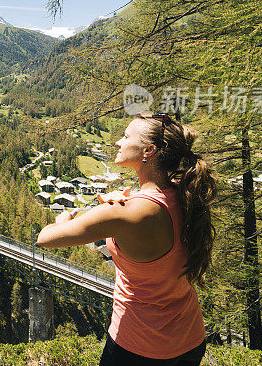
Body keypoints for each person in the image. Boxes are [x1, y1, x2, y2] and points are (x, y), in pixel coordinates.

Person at [36, 112, 216, 365]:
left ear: (149, 150)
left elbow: (45, 238)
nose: (118, 142)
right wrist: (120, 206)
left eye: (126, 136)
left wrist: (64, 219)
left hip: (139, 345)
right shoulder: (185, 197)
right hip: (189, 339)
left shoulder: (124, 213)